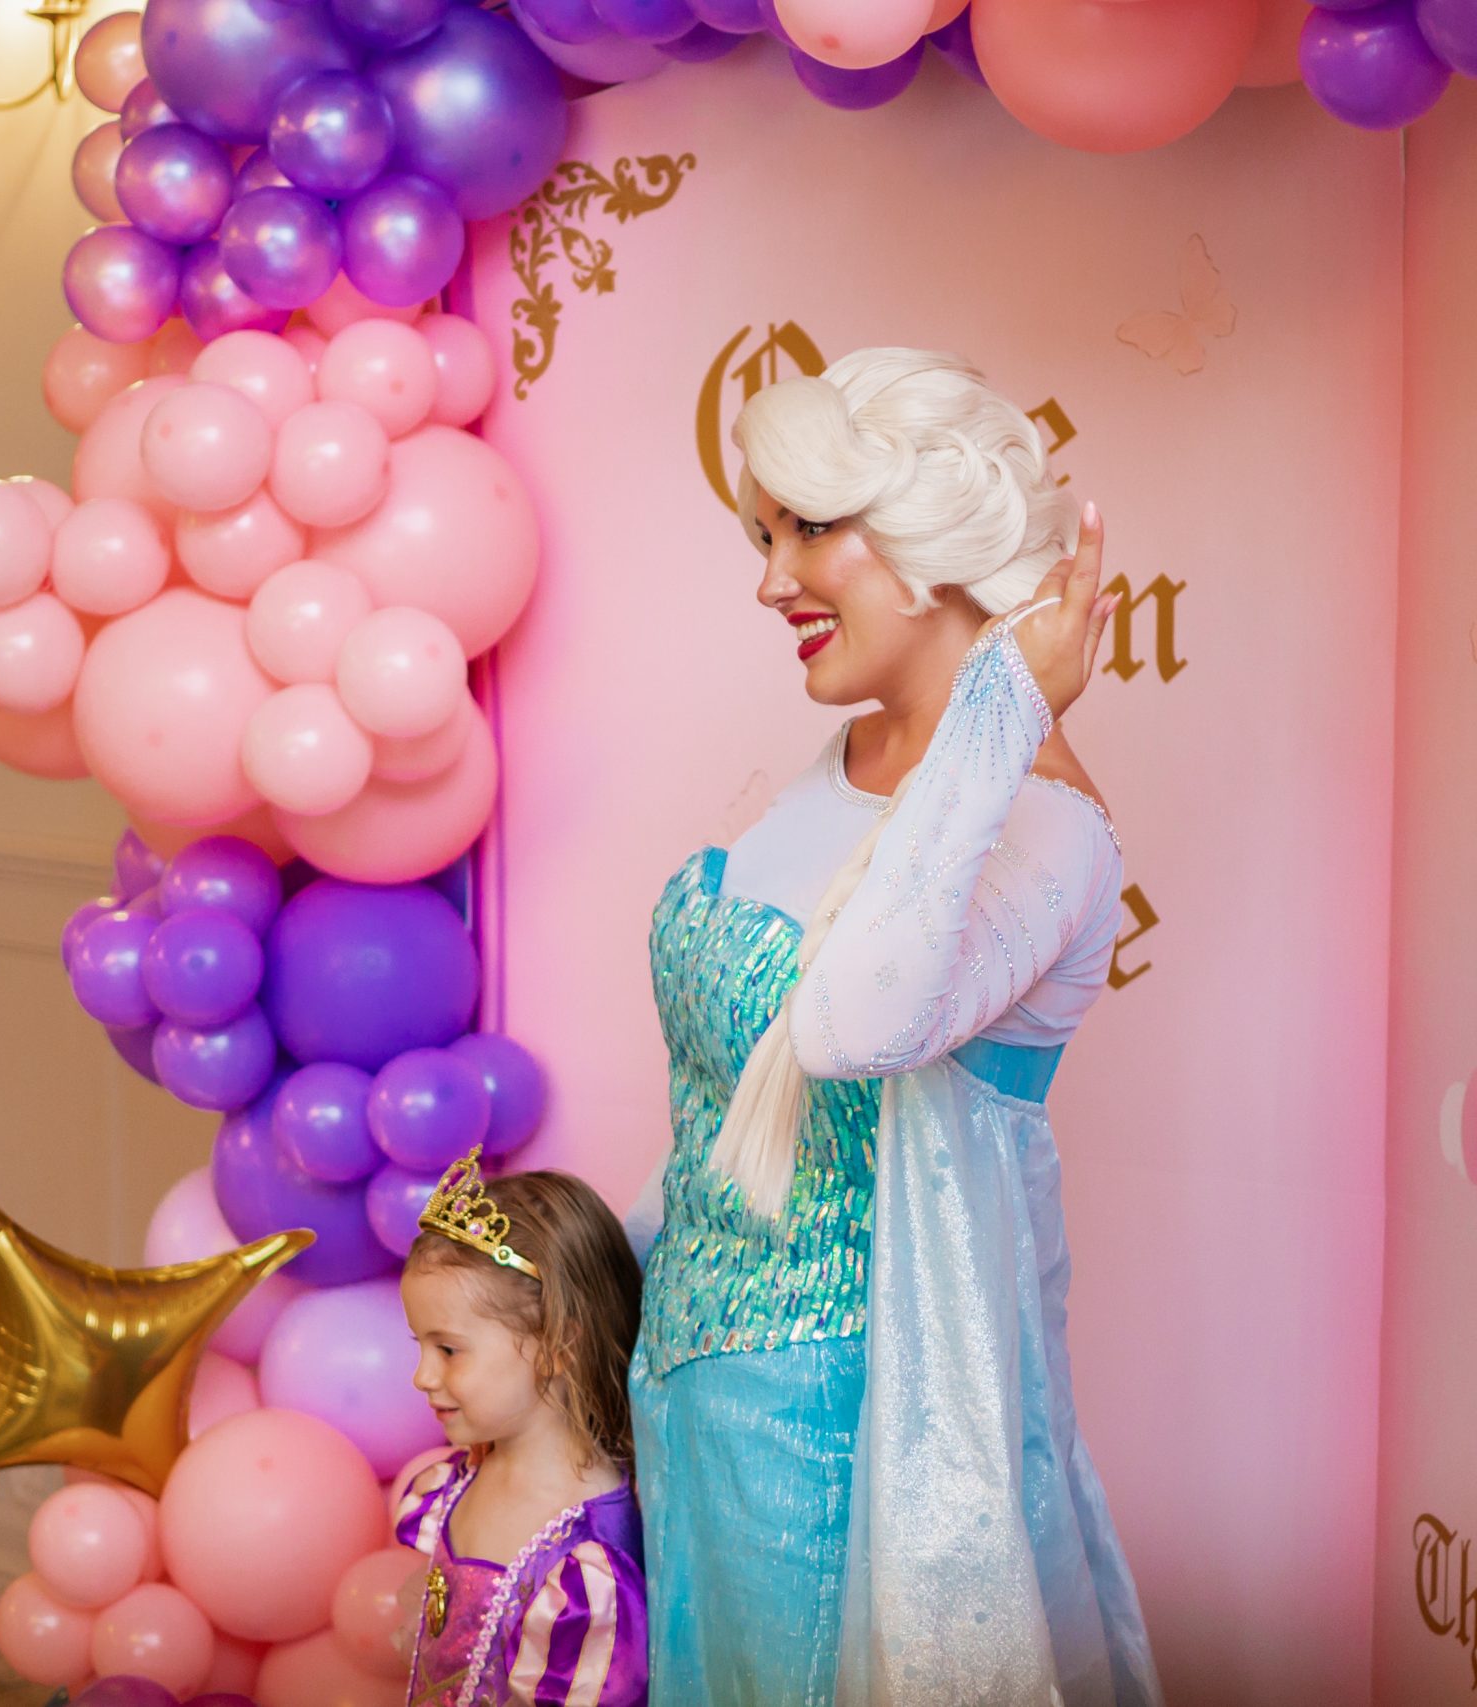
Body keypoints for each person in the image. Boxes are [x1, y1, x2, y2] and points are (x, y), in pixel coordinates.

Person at [629, 349, 1164, 1705]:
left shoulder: (1045, 820)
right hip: (690, 1402)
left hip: (852, 1443)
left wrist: (1001, 712)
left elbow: (850, 1023)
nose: (771, 581)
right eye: (763, 537)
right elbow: (719, 1112)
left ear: (931, 532)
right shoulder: (843, 766)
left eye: (807, 528)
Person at [397, 1148, 651, 1705]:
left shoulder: (585, 1561)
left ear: (559, 1345)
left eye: (447, 1350)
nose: (421, 1377)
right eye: (420, 1346)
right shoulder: (459, 1478)